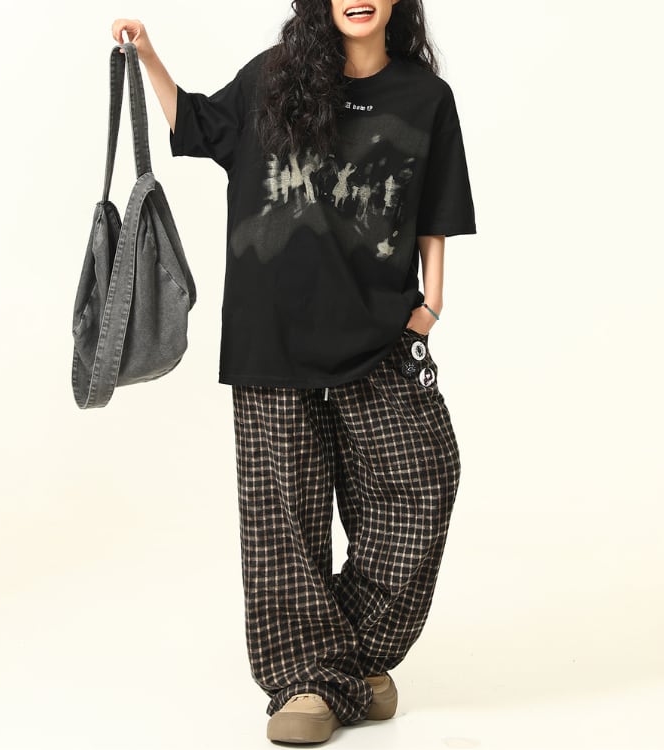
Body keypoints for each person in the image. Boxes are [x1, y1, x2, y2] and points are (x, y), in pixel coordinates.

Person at [112, 1, 476, 743]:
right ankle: (308, 681)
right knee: (284, 518)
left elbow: (438, 202)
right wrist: (148, 53)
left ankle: (344, 660)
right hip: (270, 334)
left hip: (378, 333)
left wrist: (432, 300)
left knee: (422, 481)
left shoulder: (426, 96)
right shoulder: (273, 80)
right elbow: (198, 126)